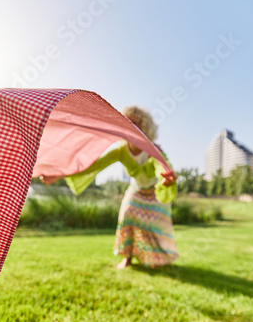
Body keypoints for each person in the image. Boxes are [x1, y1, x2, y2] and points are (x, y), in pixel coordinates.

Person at [64, 106, 179, 269]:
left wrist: (166, 177)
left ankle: (156, 258)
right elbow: (95, 165)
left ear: (144, 127)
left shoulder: (153, 148)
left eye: (136, 123)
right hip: (136, 190)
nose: (131, 127)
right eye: (127, 123)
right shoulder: (121, 151)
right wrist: (59, 172)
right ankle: (127, 257)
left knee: (154, 226)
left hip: (155, 191)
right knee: (127, 215)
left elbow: (162, 165)